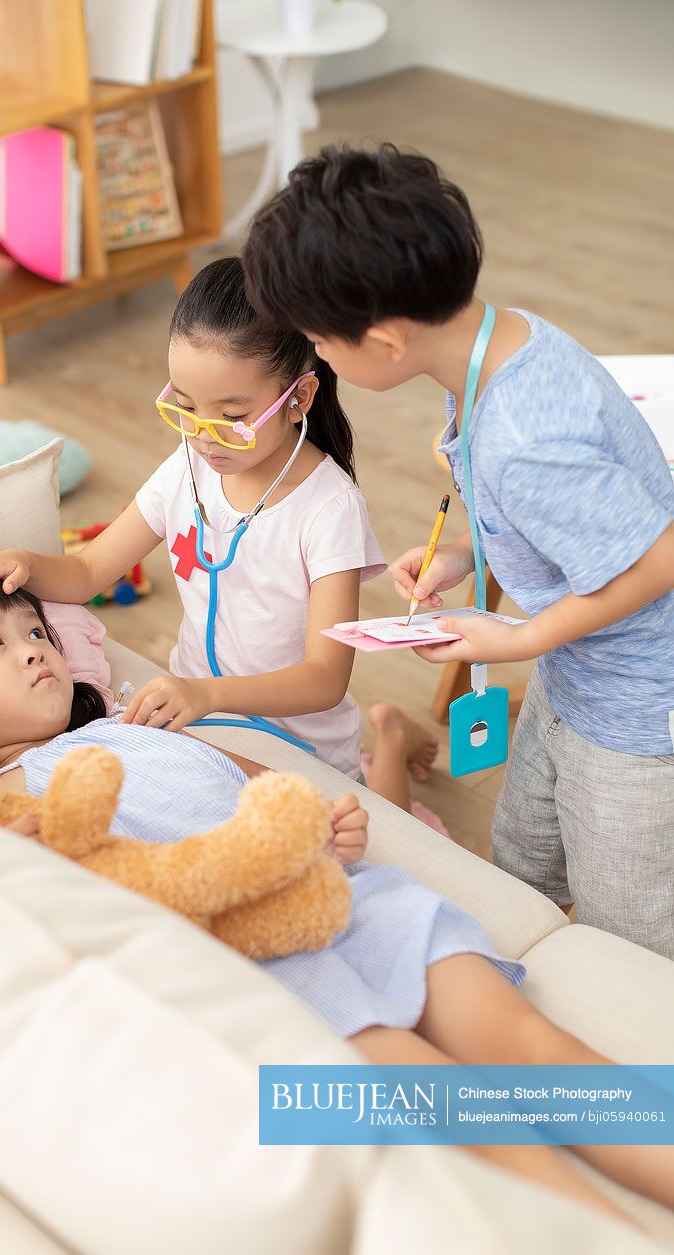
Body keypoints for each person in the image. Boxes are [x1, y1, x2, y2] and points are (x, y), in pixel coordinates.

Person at [0, 580, 674, 1226]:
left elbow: (264, 791)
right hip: (261, 968)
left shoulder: (133, 727)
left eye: (36, 631)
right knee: (448, 1108)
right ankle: (606, 1233)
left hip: (349, 902)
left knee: (528, 1042)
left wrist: (330, 824)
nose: (35, 650)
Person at [241, 142, 674, 958]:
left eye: (320, 345)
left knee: (631, 926)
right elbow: (564, 515)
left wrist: (520, 638)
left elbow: (657, 558)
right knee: (521, 859)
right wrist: (468, 555)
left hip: (637, 712)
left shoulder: (522, 435)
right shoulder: (504, 340)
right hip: (577, 675)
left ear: (382, 341)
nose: (319, 359)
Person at [0, 255, 440, 820]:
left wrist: (206, 695)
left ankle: (390, 738)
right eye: (185, 408)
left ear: (298, 399)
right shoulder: (188, 467)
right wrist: (22, 561)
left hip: (297, 734)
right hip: (197, 717)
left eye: (230, 415)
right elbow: (86, 573)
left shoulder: (329, 508)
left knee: (378, 834)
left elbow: (325, 679)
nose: (202, 437)